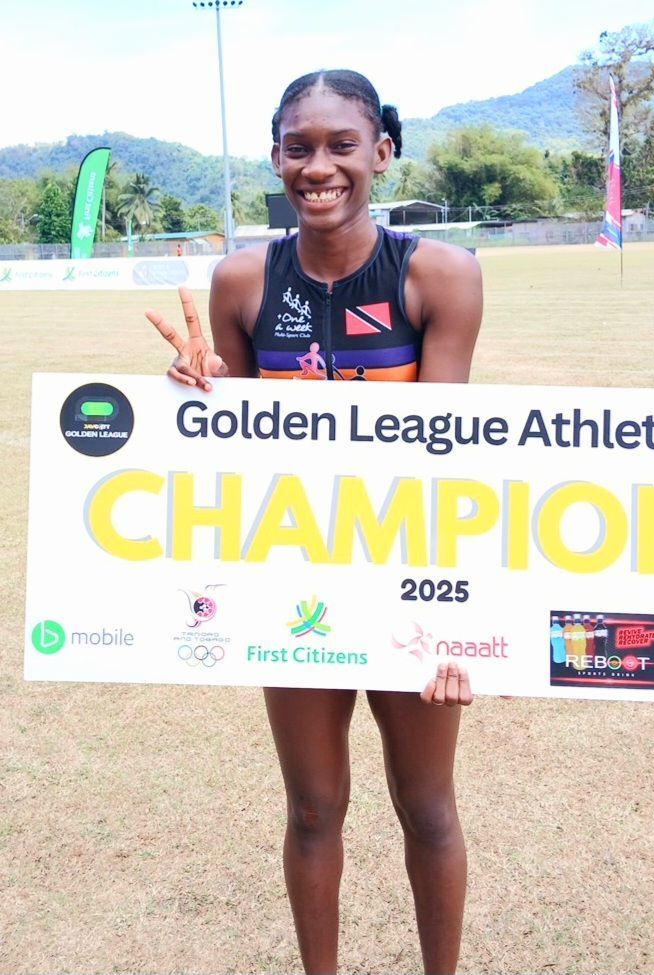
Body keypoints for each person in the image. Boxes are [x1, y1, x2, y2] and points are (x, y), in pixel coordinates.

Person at [145, 69, 482, 975]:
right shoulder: (243, 279)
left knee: (428, 806)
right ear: (275, 158)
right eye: (299, 147)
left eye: (342, 145)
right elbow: (242, 458)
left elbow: (443, 457)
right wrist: (199, 396)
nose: (319, 166)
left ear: (381, 153)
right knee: (310, 808)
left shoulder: (439, 274)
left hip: (406, 574)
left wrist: (454, 619)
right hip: (293, 584)